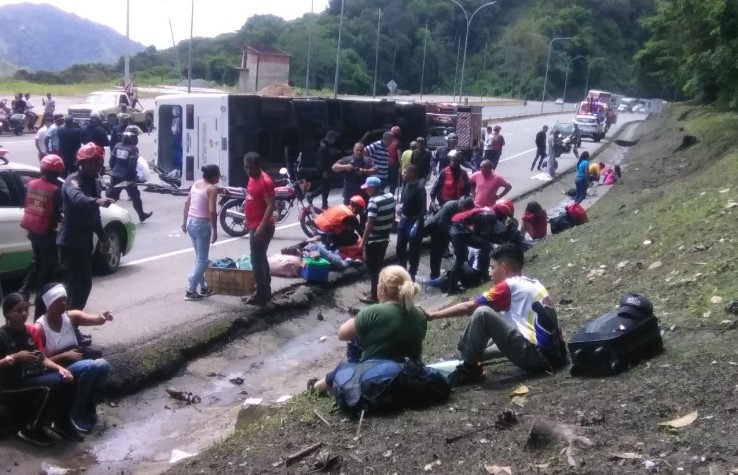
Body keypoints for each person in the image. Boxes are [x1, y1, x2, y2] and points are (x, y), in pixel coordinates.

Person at [425, 244, 567, 386]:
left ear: (504, 268)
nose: (489, 272)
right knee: (484, 339)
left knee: (482, 313)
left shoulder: (509, 286)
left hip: (539, 357)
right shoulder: (531, 283)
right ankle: (462, 358)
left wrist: (433, 315)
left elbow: (469, 307)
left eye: (492, 267)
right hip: (556, 355)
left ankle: (469, 369)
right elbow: (505, 327)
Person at [309, 265, 427, 393]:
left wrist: (353, 320)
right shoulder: (419, 313)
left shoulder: (373, 312)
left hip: (377, 379)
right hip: (412, 374)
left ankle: (318, 387)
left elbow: (342, 334)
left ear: (383, 288)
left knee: (345, 366)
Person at [0, 293, 80, 446]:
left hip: (30, 377)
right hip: (10, 385)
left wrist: (59, 368)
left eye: (26, 310)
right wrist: (15, 357)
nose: (24, 314)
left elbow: (42, 358)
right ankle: (30, 429)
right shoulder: (2, 336)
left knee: (66, 377)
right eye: (18, 310)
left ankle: (62, 422)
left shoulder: (28, 332)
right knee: (51, 385)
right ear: (7, 313)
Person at [33, 283, 112, 433]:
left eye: (65, 299)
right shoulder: (40, 328)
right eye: (59, 301)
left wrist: (103, 317)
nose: (63, 304)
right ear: (49, 304)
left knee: (103, 365)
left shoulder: (70, 317)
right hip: (57, 369)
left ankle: (89, 405)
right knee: (90, 365)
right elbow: (40, 361)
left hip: (76, 364)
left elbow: (95, 319)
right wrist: (65, 355)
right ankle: (75, 414)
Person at [57, 143, 114, 311]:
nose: (95, 166)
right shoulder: (72, 181)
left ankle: (72, 325)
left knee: (84, 287)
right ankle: (66, 328)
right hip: (70, 243)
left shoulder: (95, 183)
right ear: (81, 163)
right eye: (90, 163)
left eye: (97, 163)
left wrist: (103, 238)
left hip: (84, 242)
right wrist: (97, 201)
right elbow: (77, 199)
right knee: (73, 288)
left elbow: (94, 215)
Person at [18, 155, 65, 311]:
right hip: (46, 232)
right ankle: (41, 298)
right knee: (48, 268)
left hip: (32, 230)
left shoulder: (31, 184)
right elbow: (58, 213)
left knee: (36, 260)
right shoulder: (54, 190)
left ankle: (23, 290)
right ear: (57, 173)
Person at [181, 165, 220, 301]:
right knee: (203, 259)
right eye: (218, 175)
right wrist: (215, 230)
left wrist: (184, 222)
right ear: (214, 176)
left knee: (199, 257)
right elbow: (212, 211)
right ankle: (191, 289)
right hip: (202, 224)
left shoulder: (196, 183)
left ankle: (203, 287)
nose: (219, 178)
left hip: (191, 221)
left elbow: (187, 203)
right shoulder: (212, 189)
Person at [243, 152, 276, 305]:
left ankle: (260, 293)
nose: (248, 171)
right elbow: (250, 198)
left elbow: (270, 205)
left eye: (251, 168)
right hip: (253, 223)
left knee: (256, 259)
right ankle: (265, 291)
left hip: (262, 226)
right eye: (246, 167)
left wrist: (262, 226)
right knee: (261, 257)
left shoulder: (265, 181)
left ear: (258, 165)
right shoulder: (251, 178)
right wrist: (246, 218)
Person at [359, 177, 395, 304]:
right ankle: (377, 291)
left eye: (367, 188)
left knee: (373, 269)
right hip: (385, 238)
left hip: (374, 240)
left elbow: (370, 224)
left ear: (373, 188)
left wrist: (363, 242)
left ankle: (374, 296)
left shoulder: (373, 202)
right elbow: (393, 216)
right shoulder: (390, 197)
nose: (366, 191)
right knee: (379, 266)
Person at [305, 195, 365, 270]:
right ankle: (335, 248)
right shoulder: (351, 216)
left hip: (319, 227)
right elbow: (361, 233)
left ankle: (328, 246)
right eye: (360, 210)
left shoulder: (342, 206)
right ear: (357, 207)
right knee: (354, 237)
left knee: (344, 232)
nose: (359, 213)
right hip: (327, 232)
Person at [446, 207, 496, 295]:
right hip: (460, 232)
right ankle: (485, 275)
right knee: (486, 246)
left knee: (460, 260)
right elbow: (479, 234)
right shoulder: (480, 217)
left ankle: (451, 290)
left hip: (455, 231)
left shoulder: (479, 213)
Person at [107, 126, 153, 223]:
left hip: (115, 176)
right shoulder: (133, 149)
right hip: (127, 178)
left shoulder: (117, 146)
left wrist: (115, 171)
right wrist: (133, 179)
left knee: (111, 198)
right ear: (132, 137)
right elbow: (132, 166)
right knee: (135, 197)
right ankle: (141, 215)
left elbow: (111, 162)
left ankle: (106, 216)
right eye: (136, 136)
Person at [423, 196, 474, 279]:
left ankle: (463, 272)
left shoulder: (466, 210)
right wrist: (454, 234)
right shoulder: (449, 206)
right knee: (436, 252)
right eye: (463, 209)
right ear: (461, 205)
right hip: (438, 228)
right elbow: (442, 223)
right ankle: (434, 275)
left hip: (451, 230)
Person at [395, 165, 426, 280]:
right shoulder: (406, 185)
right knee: (400, 247)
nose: (403, 174)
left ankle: (412, 273)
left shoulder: (419, 188)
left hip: (414, 222)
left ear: (412, 174)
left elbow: (423, 208)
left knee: (414, 250)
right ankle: (402, 271)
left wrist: (417, 224)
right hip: (404, 219)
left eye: (405, 172)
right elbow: (404, 201)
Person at [315, 130, 338, 209]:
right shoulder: (324, 146)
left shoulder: (324, 144)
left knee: (325, 186)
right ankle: (313, 197)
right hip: (323, 169)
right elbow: (322, 160)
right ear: (331, 138)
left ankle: (324, 204)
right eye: (334, 139)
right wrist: (324, 171)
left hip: (322, 168)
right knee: (325, 186)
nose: (334, 141)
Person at [386, 126, 402, 195]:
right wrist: (401, 165)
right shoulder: (397, 143)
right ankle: (390, 196)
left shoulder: (387, 142)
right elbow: (399, 155)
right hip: (393, 165)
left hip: (385, 164)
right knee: (393, 183)